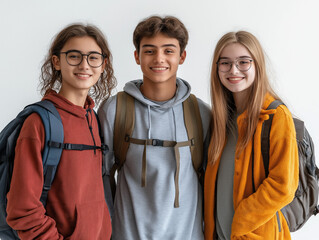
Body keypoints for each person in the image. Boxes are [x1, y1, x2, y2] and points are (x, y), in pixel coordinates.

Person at [98, 15, 211, 240]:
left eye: (168, 50)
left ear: (182, 56)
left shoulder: (201, 113)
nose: (159, 58)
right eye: (149, 50)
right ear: (137, 57)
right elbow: (100, 178)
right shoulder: (114, 109)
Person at [6, 23, 116, 239]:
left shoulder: (93, 118)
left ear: (103, 65)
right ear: (57, 61)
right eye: (74, 56)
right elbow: (23, 209)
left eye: (93, 57)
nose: (85, 65)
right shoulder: (39, 122)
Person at [204, 31, 299, 239]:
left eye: (243, 62)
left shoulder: (275, 116)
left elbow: (284, 186)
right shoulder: (221, 120)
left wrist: (241, 221)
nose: (233, 70)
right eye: (225, 63)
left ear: (257, 65)